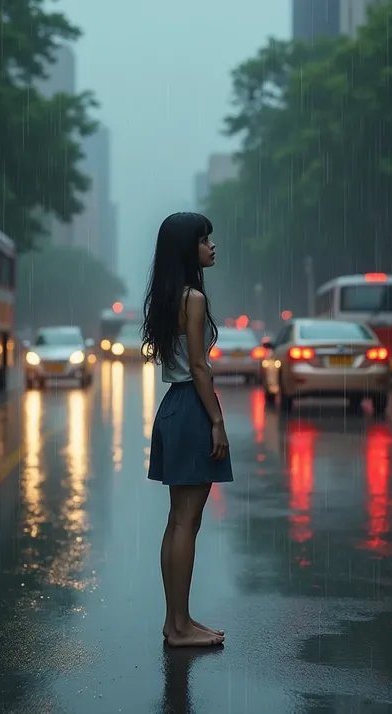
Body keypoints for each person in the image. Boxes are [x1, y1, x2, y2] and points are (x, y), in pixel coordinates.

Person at [142, 212, 233, 648]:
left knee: (178, 521)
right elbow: (199, 366)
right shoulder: (192, 298)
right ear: (186, 249)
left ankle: (178, 622)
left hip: (172, 408)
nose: (211, 246)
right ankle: (178, 627)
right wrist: (216, 419)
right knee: (186, 521)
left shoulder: (166, 297)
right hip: (191, 407)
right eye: (203, 240)